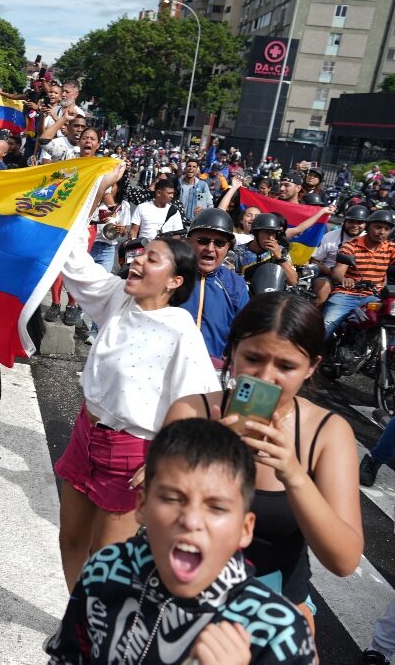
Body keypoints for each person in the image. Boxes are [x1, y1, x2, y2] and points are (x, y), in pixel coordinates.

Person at [55, 163, 219, 592]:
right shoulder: (115, 298)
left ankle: (95, 639)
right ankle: (79, 627)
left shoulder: (180, 328)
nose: (136, 260)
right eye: (139, 253)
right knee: (70, 540)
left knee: (105, 564)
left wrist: (160, 461)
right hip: (85, 435)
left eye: (152, 259)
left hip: (132, 455)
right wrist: (93, 190)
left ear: (174, 281)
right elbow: (70, 256)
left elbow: (205, 404)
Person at [164, 292, 363, 637]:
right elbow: (155, 523)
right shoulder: (191, 412)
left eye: (286, 366)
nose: (266, 376)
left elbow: (344, 560)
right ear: (232, 351)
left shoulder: (328, 432)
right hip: (184, 598)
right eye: (253, 358)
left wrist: (294, 474)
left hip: (277, 608)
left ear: (312, 367)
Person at [45, 418, 317, 664]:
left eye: (217, 507)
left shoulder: (278, 631)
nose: (191, 520)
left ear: (245, 529)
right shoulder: (104, 571)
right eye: (172, 499)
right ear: (142, 506)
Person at [179, 208, 249, 363]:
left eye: (219, 243)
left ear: (228, 247)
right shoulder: (170, 275)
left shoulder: (237, 286)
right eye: (203, 241)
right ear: (189, 241)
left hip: (210, 375)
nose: (210, 248)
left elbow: (243, 337)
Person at [323, 209, 395, 341]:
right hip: (346, 294)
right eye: (378, 227)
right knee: (326, 326)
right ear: (368, 226)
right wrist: (345, 279)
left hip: (374, 297)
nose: (382, 232)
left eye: (387, 228)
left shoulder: (391, 248)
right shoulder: (351, 246)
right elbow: (338, 271)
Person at [310, 203, 368, 306]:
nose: (355, 225)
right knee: (322, 288)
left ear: (366, 224)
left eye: (359, 222)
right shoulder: (329, 237)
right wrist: (329, 271)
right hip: (329, 277)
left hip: (359, 280)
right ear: (344, 221)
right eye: (351, 221)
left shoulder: (370, 239)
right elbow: (314, 260)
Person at [233, 212, 299, 286]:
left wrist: (280, 258)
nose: (270, 238)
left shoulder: (281, 252)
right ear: (255, 233)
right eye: (267, 232)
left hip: (273, 295)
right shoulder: (238, 252)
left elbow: (293, 282)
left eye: (273, 233)